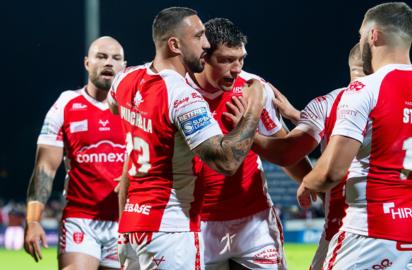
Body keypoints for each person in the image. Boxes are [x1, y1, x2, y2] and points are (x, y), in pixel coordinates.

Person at [301, 2, 412, 269]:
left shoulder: (365, 89)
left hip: (374, 231)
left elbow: (332, 172)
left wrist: (308, 182)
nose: (360, 42)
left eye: (360, 36)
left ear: (373, 35)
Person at [108, 7, 266, 270]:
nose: (206, 44)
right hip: (169, 228)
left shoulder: (125, 79)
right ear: (175, 44)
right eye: (199, 36)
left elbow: (116, 107)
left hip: (130, 227)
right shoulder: (183, 96)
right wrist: (254, 108)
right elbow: (226, 162)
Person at [186, 18, 311, 270]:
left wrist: (310, 182)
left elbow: (283, 149)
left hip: (254, 221)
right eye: (226, 60)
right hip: (198, 224)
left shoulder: (253, 88)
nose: (236, 68)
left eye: (240, 59)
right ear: (204, 56)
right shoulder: (179, 92)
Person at [253, 43, 364, 269]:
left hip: (347, 227)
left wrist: (244, 132)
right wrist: (298, 115)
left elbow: (287, 153)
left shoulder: (330, 103)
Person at [24, 36, 127, 270]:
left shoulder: (135, 108)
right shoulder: (66, 104)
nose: (109, 63)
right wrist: (33, 220)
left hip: (125, 220)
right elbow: (45, 167)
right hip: (80, 219)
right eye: (101, 57)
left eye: (115, 58)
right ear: (87, 63)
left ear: (124, 66)